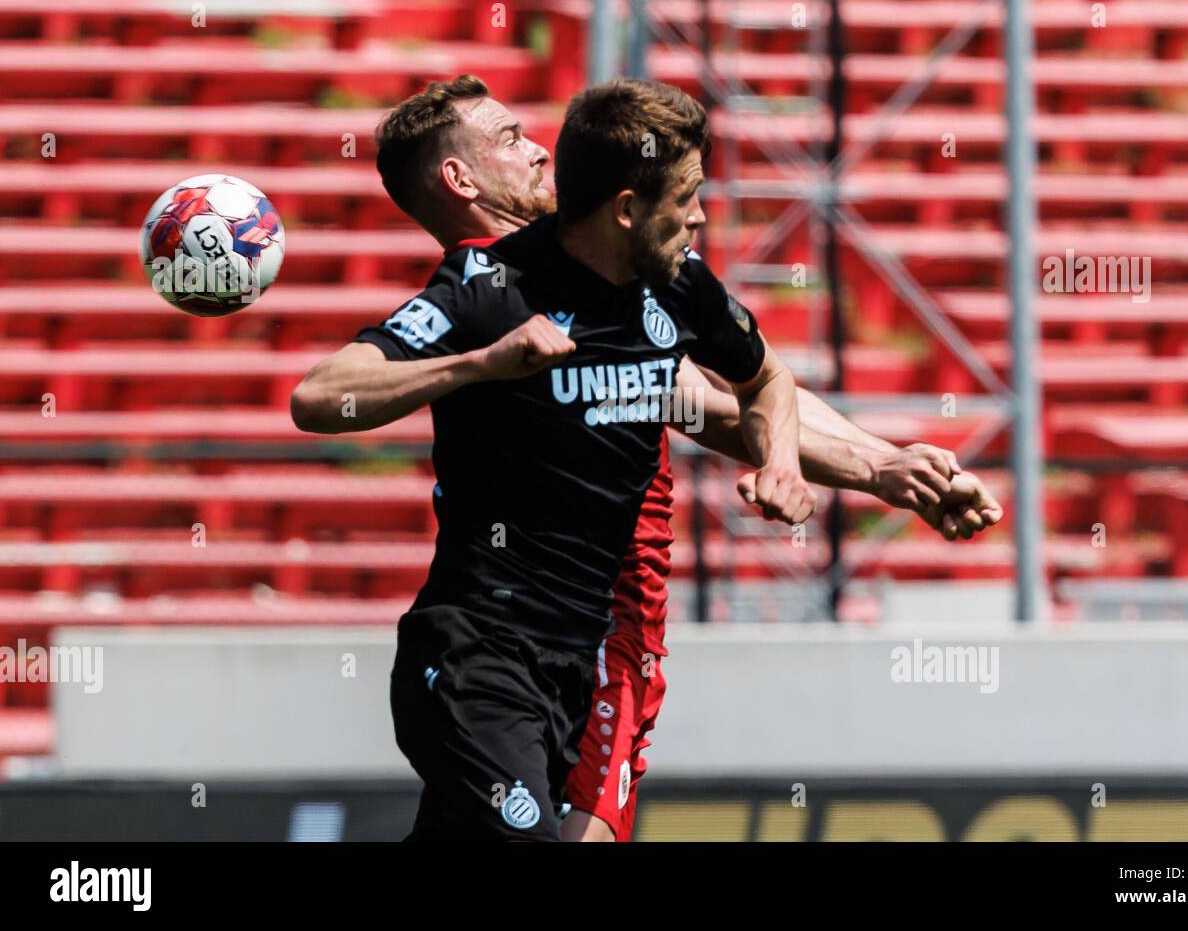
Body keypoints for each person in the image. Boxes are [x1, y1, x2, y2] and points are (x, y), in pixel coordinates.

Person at [291, 75, 1003, 842]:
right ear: (460, 179)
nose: (536, 151)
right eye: (507, 140)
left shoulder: (637, 270)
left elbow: (730, 392)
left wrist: (882, 467)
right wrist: (878, 467)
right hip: (526, 631)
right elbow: (325, 394)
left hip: (607, 628)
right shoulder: (490, 289)